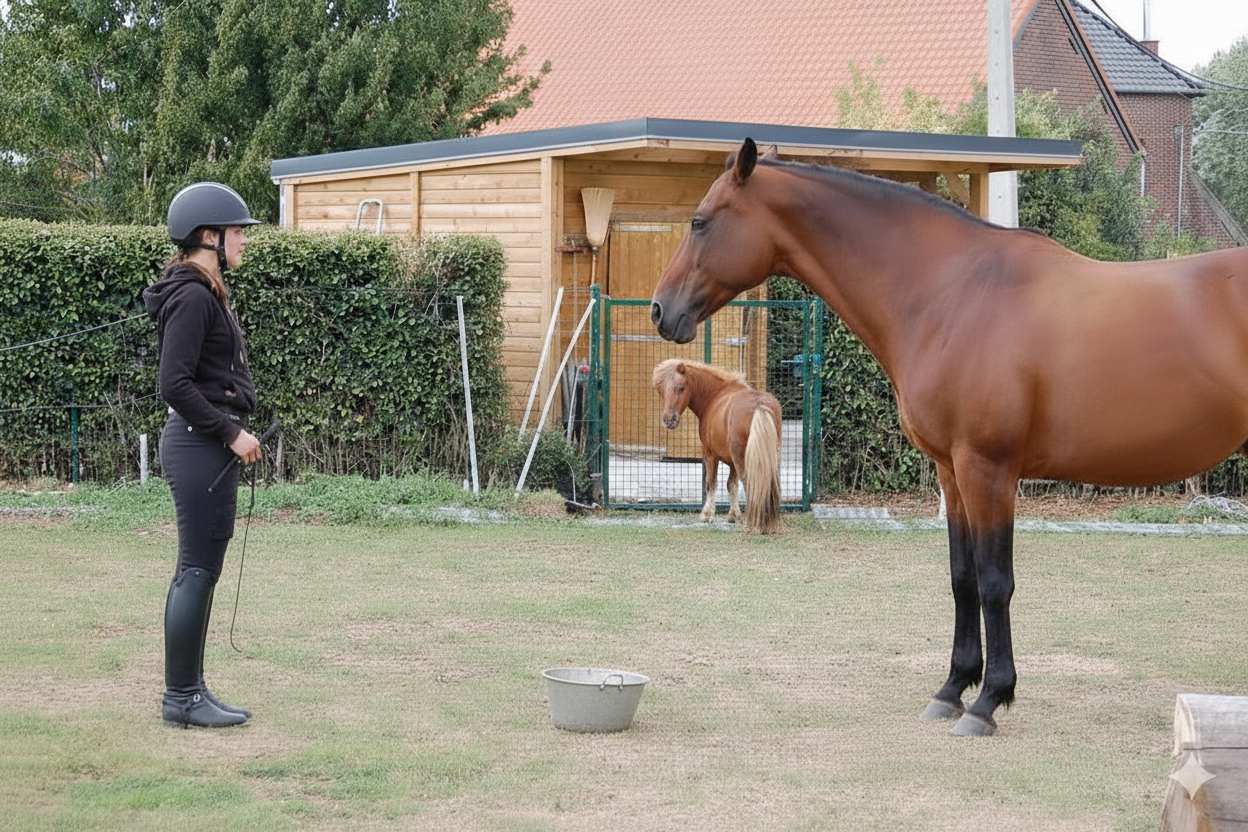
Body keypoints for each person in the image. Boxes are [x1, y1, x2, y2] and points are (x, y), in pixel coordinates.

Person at [142, 182, 263, 728]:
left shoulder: (201, 290)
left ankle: (191, 689)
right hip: (199, 444)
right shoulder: (193, 294)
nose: (242, 240)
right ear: (208, 236)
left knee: (200, 569)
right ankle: (181, 697)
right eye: (236, 231)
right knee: (195, 569)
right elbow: (174, 382)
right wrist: (230, 433)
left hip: (202, 444)